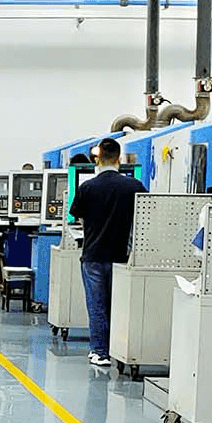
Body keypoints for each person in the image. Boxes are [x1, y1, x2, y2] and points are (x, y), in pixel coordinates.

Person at [68, 138, 145, 367]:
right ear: (119, 159)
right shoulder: (134, 187)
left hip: (93, 255)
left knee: (97, 306)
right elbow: (145, 215)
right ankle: (116, 349)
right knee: (117, 305)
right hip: (121, 257)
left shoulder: (87, 187)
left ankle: (99, 352)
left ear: (97, 158)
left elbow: (78, 218)